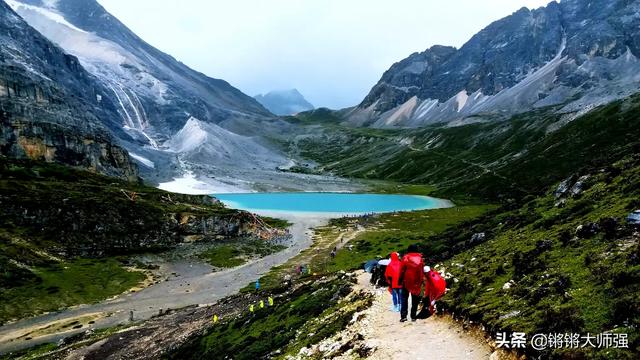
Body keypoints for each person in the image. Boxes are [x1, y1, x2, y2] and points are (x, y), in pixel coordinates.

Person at [399, 244, 425, 322]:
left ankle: (404, 316)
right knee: (415, 299)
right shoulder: (420, 258)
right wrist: (422, 280)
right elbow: (421, 270)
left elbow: (402, 270)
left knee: (404, 298)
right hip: (416, 281)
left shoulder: (405, 257)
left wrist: (399, 279)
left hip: (406, 281)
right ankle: (413, 316)